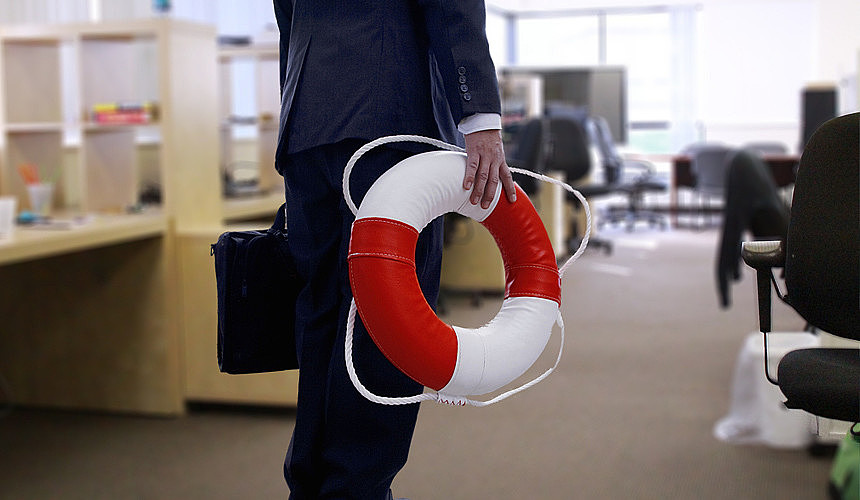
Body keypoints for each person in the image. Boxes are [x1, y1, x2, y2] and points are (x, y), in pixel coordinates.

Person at [273, 1, 516, 498]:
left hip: (306, 124)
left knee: (323, 316)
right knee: (388, 320)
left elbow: (288, 19)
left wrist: (300, 114)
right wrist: (480, 118)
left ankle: (312, 485)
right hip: (390, 119)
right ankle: (356, 490)